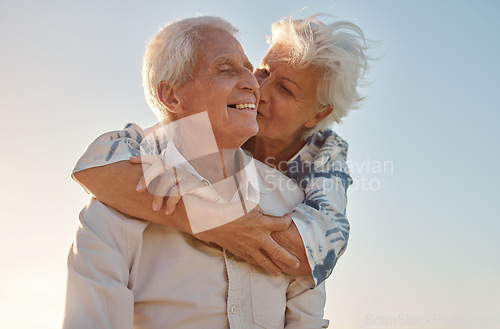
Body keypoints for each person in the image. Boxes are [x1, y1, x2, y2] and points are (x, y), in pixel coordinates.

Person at [64, 16, 330, 329]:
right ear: (171, 96)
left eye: (249, 68)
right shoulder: (116, 207)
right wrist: (212, 220)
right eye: (226, 69)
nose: (253, 84)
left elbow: (307, 320)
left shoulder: (291, 201)